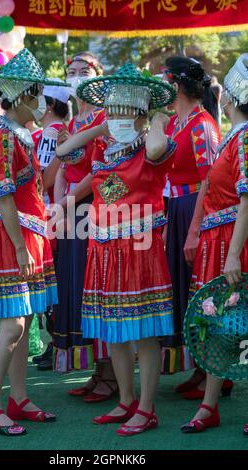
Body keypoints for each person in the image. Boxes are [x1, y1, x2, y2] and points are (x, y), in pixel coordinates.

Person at [57, 63, 176, 436]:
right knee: (116, 332)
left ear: (139, 112)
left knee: (143, 334)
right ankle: (126, 400)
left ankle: (147, 407)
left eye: (125, 109)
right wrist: (100, 126)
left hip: (140, 251)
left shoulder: (152, 149)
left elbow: (157, 145)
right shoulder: (104, 148)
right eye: (113, 108)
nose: (117, 116)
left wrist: (155, 117)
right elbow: (63, 151)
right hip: (105, 249)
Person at [0, 49, 67, 436]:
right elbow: (4, 196)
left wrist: (63, 151)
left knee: (25, 324)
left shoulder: (19, 134)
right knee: (11, 326)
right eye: (38, 93)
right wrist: (18, 246)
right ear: (22, 95)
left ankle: (19, 397)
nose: (42, 101)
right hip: (9, 237)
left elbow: (35, 186)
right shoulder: (4, 138)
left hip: (25, 233)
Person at [180, 54, 248, 434]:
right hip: (217, 240)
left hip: (233, 241)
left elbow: (247, 199)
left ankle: (210, 404)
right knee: (216, 324)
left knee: (240, 322)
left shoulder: (246, 137)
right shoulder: (232, 136)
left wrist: (234, 253)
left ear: (233, 96)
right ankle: (209, 405)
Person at [53, 51, 117, 404]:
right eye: (72, 71)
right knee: (77, 287)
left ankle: (110, 373)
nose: (77, 76)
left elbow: (100, 170)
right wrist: (59, 205)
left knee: (95, 287)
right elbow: (63, 167)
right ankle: (98, 371)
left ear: (98, 76)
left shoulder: (106, 117)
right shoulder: (74, 121)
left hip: (94, 209)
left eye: (84, 71)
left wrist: (70, 201)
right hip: (70, 212)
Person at [160, 58, 221, 394]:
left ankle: (216, 370)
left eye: (165, 80)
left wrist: (195, 230)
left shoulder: (202, 125)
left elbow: (209, 181)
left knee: (200, 290)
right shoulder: (174, 124)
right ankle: (201, 366)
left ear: (176, 84)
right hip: (176, 210)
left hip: (193, 209)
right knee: (182, 289)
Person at [32, 81, 70, 371]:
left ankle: (57, 344)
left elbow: (44, 179)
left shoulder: (51, 133)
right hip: (58, 212)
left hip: (48, 212)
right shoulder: (58, 131)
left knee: (51, 282)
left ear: (51, 105)